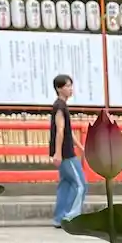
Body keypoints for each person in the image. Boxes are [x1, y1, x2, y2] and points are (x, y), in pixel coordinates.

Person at [50, 73, 87, 227]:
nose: (71, 89)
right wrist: (58, 153)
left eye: (71, 85)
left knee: (65, 185)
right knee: (80, 185)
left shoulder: (61, 105)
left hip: (65, 151)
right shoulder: (60, 106)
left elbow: (68, 131)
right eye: (67, 86)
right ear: (59, 89)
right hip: (65, 154)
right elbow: (60, 131)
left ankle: (59, 218)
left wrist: (80, 146)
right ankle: (70, 218)